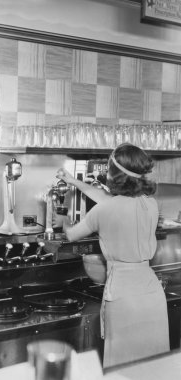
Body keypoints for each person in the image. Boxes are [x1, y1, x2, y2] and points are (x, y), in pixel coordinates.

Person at [56, 143, 169, 368]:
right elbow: (111, 202)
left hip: (123, 296)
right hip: (152, 294)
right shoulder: (151, 204)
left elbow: (70, 235)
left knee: (122, 368)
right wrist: (74, 181)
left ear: (114, 175)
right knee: (154, 369)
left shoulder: (103, 211)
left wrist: (63, 218)